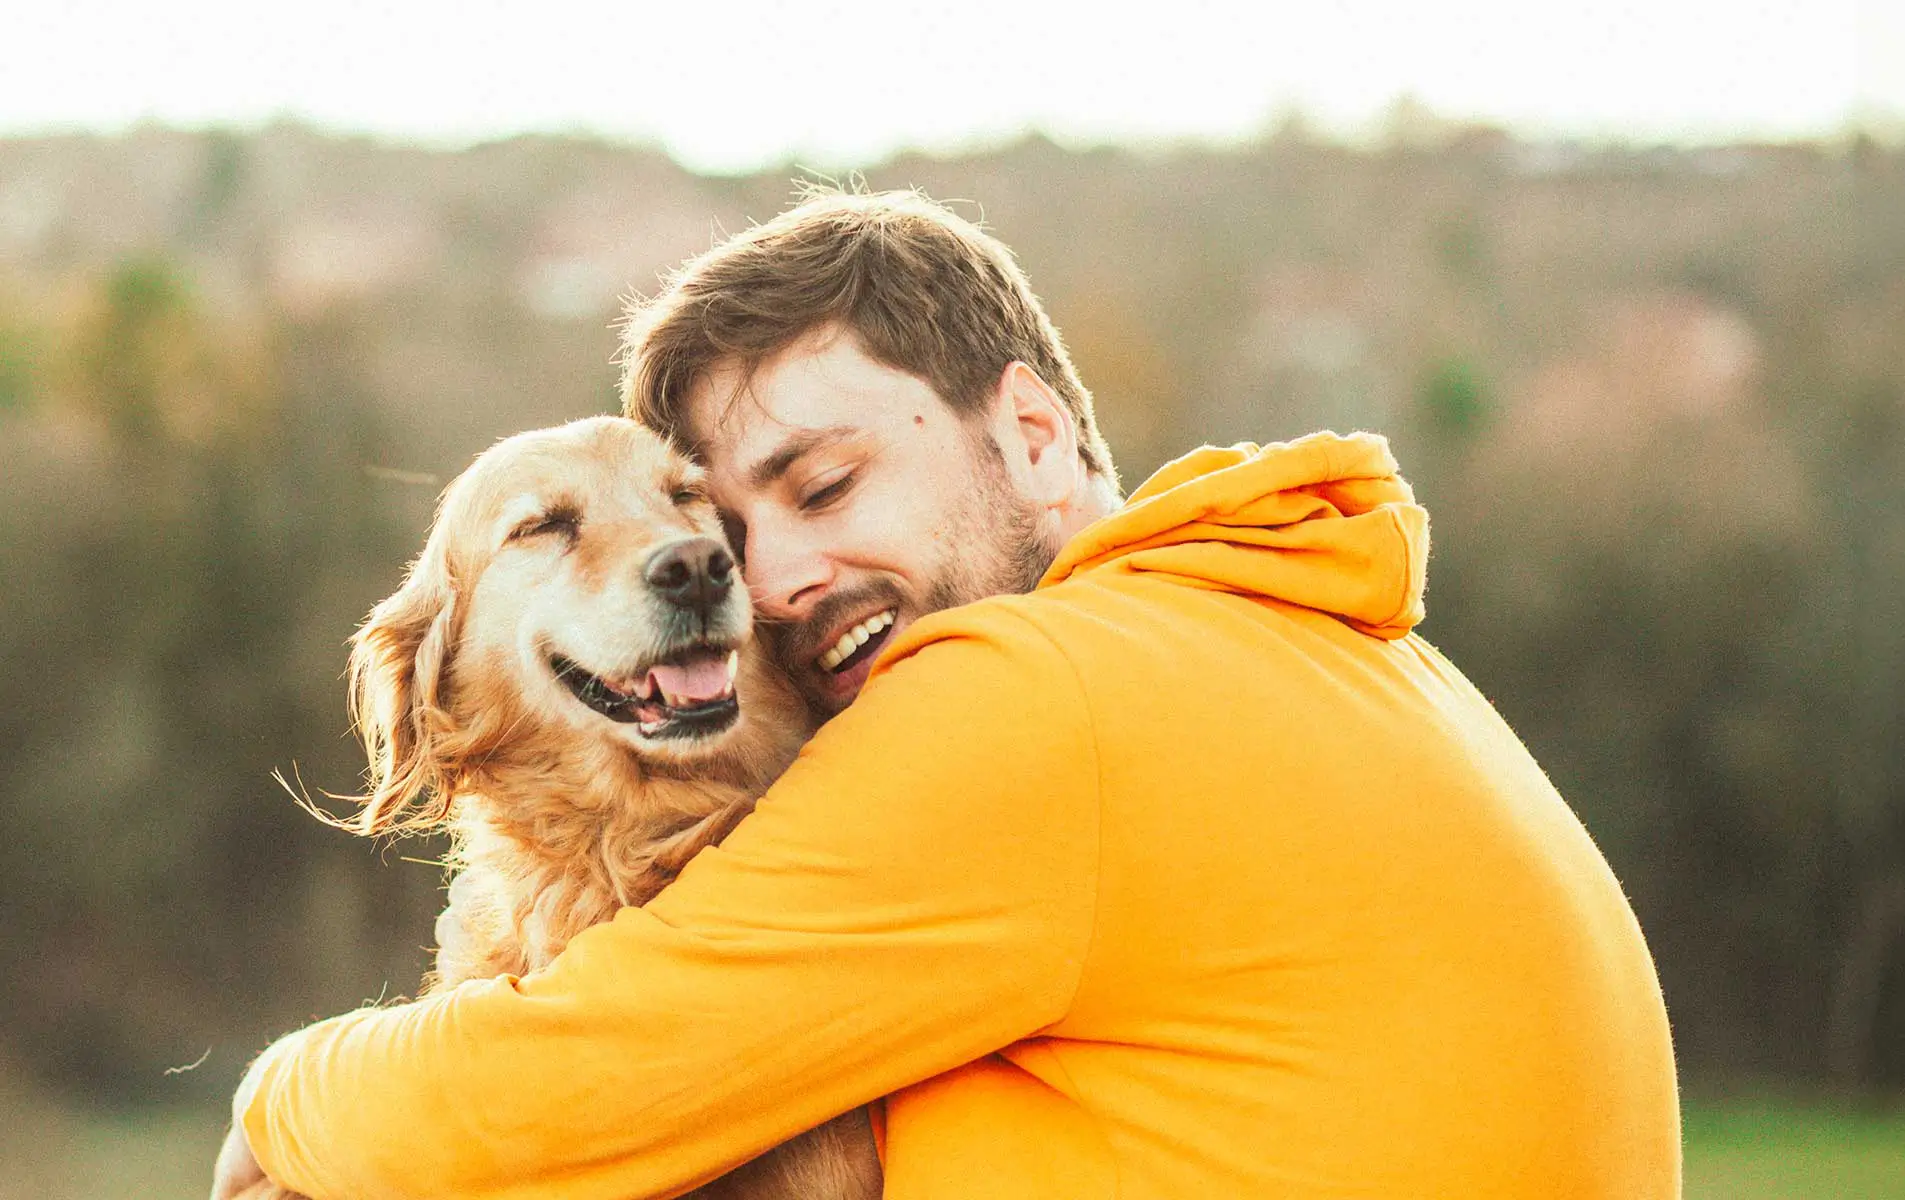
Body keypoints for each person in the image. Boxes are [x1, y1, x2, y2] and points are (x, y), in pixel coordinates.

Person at [213, 189, 1680, 1199]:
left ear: (1032, 432)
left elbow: (554, 1090)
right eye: (739, 523)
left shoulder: (1037, 698)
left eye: (828, 483)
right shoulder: (1316, 646)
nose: (766, 583)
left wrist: (281, 1095)